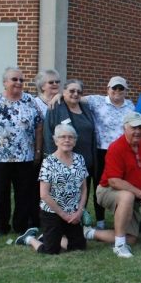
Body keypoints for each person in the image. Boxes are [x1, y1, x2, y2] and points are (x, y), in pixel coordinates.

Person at [0, 67, 43, 235]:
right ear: (5, 82)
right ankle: (1, 226)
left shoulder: (30, 100)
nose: (19, 83)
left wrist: (37, 151)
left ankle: (20, 226)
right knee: (0, 195)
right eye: (15, 79)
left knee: (24, 195)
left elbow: (39, 127)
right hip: (0, 158)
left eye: (21, 80)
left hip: (26, 158)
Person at [90, 112, 141, 258]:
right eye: (133, 127)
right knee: (127, 196)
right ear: (124, 128)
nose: (137, 131)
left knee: (132, 238)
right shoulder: (116, 147)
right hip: (107, 190)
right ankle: (120, 245)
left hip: (134, 194)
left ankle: (90, 233)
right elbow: (114, 181)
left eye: (140, 127)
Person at [14, 124, 88, 254]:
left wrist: (79, 212)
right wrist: (64, 215)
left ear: (75, 141)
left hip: (73, 212)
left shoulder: (80, 159)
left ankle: (49, 237)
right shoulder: (49, 162)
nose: (67, 140)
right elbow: (44, 194)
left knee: (79, 247)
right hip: (52, 213)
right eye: (63, 137)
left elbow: (84, 188)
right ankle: (30, 239)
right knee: (51, 251)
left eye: (71, 137)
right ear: (56, 141)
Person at [83, 76, 136, 230]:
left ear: (126, 90)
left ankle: (122, 217)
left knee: (120, 186)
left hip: (121, 152)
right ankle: (100, 220)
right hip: (101, 150)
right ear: (108, 89)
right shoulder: (97, 101)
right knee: (100, 184)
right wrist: (59, 95)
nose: (117, 91)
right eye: (114, 88)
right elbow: (75, 97)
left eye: (121, 88)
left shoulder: (130, 106)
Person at [44, 79, 97, 207]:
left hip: (85, 161)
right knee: (64, 195)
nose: (75, 94)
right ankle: (63, 221)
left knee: (83, 193)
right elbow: (48, 134)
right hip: (65, 162)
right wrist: (56, 160)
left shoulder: (85, 107)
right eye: (72, 91)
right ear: (64, 92)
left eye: (79, 92)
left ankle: (81, 220)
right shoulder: (55, 107)